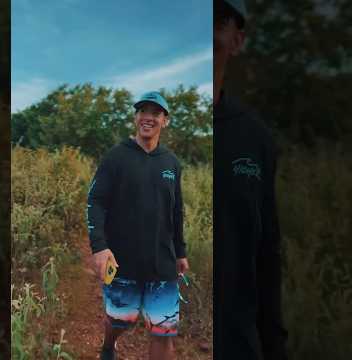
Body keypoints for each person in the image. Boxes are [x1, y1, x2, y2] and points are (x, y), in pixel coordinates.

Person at [87, 91, 190, 360]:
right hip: (122, 260)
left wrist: (180, 252)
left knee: (163, 332)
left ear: (165, 120)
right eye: (143, 111)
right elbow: (95, 201)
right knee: (122, 320)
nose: (148, 117)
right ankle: (109, 344)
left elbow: (176, 211)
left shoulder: (172, 163)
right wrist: (99, 247)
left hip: (162, 262)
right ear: (135, 117)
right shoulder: (116, 157)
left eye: (155, 113)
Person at [214, 1, 288, 359]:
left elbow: (266, 253)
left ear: (236, 40)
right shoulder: (150, 128)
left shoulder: (255, 137)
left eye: (216, 19)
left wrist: (274, 347)